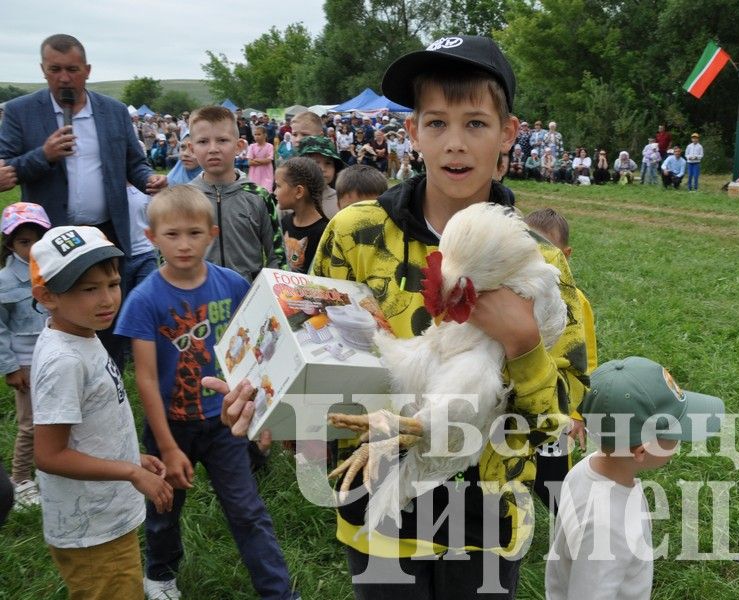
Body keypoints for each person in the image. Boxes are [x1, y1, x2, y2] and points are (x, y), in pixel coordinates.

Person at [213, 34, 588, 600]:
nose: (455, 144)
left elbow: (560, 426)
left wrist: (524, 346)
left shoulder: (543, 262)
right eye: (436, 123)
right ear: (411, 132)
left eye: (476, 124)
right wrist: (270, 396)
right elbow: (319, 354)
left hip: (485, 519)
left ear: (509, 134)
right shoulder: (356, 233)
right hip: (378, 505)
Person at [114, 187, 296, 600]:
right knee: (164, 508)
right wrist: (166, 446)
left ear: (211, 233)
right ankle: (160, 574)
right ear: (151, 237)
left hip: (223, 425)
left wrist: (261, 412)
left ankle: (278, 592)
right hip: (170, 427)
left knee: (248, 511)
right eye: (172, 234)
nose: (184, 244)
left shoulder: (231, 285)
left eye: (194, 233)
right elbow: (144, 379)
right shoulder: (144, 300)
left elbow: (253, 350)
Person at [30, 225, 173, 599]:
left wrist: (131, 457)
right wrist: (128, 471)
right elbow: (48, 454)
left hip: (105, 516)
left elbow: (90, 425)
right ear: (47, 296)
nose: (107, 298)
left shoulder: (82, 333)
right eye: (89, 289)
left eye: (112, 283)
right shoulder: (63, 360)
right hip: (91, 531)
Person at [545, 356, 724, 600]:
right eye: (676, 433)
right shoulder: (607, 530)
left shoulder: (584, 468)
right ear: (641, 451)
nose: (680, 441)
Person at [0, 34, 166, 256]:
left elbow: (134, 163)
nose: (64, 78)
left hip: (107, 231)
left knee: (110, 291)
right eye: (55, 69)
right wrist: (44, 155)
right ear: (43, 69)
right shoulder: (20, 111)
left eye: (72, 69)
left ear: (87, 70)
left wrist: (149, 178)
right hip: (49, 234)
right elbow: (7, 170)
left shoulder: (114, 111)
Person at [523, 207, 597, 513]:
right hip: (512, 405)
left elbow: (586, 358)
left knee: (553, 480)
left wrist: (577, 413)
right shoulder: (507, 295)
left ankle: (569, 527)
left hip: (556, 408)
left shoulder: (576, 302)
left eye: (548, 252)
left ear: (565, 255)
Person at [187, 106, 285, 283]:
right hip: (198, 304)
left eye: (222, 140)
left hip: (249, 300)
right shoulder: (184, 199)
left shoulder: (259, 197)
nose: (213, 149)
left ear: (239, 146)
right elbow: (167, 257)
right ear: (191, 148)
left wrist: (268, 292)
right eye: (203, 142)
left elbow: (278, 256)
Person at [0, 203, 51, 508]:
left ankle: (49, 469)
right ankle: (20, 478)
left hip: (54, 355)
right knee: (30, 423)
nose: (32, 248)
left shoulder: (54, 270)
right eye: (23, 241)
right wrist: (10, 366)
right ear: (9, 243)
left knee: (57, 417)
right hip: (26, 362)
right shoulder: (5, 281)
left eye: (37, 239)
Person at [275, 157, 327, 273]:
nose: (274, 192)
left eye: (278, 186)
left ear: (299, 191)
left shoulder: (325, 232)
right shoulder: (285, 222)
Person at [295, 135, 346, 218]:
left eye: (328, 163)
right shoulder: (289, 199)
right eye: (314, 163)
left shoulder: (341, 200)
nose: (322, 169)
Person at [248, 126, 275, 192]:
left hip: (266, 173)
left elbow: (269, 160)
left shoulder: (270, 146)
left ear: (265, 135)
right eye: (255, 134)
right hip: (254, 174)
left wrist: (255, 159)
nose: (256, 136)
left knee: (266, 191)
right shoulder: (252, 146)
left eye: (259, 134)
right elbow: (249, 162)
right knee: (255, 192)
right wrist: (263, 160)